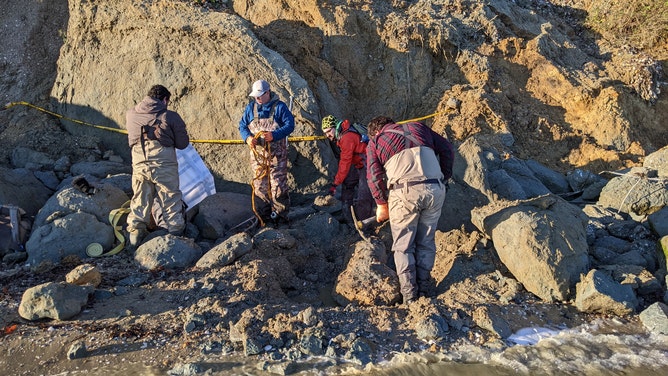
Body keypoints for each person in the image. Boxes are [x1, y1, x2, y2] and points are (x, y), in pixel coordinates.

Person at [366, 116, 455, 305]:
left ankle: (410, 297)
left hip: (405, 192)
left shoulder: (375, 142)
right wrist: (444, 177)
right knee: (426, 241)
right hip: (435, 190)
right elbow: (447, 148)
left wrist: (382, 205)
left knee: (403, 245)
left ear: (375, 132)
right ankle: (425, 289)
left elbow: (374, 176)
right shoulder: (418, 127)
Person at [125, 84, 189, 249]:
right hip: (164, 164)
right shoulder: (170, 116)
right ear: (165, 99)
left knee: (140, 199)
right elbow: (182, 144)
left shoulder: (130, 114)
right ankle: (176, 237)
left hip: (139, 162)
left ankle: (135, 236)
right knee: (170, 198)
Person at [239, 79, 295, 223]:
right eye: (255, 95)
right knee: (259, 186)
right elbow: (242, 126)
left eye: (260, 95)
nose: (257, 98)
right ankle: (262, 218)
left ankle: (281, 217)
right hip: (258, 157)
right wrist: (248, 138)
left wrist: (274, 135)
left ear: (268, 92)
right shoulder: (250, 108)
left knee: (278, 185)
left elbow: (290, 125)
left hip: (277, 155)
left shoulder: (280, 107)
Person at [321, 115, 374, 225]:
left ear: (335, 127)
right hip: (358, 163)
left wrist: (335, 184)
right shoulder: (342, 134)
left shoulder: (347, 137)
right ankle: (348, 218)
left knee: (363, 195)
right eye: (325, 133)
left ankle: (364, 224)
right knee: (347, 184)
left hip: (367, 163)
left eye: (329, 131)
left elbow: (344, 164)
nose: (327, 135)